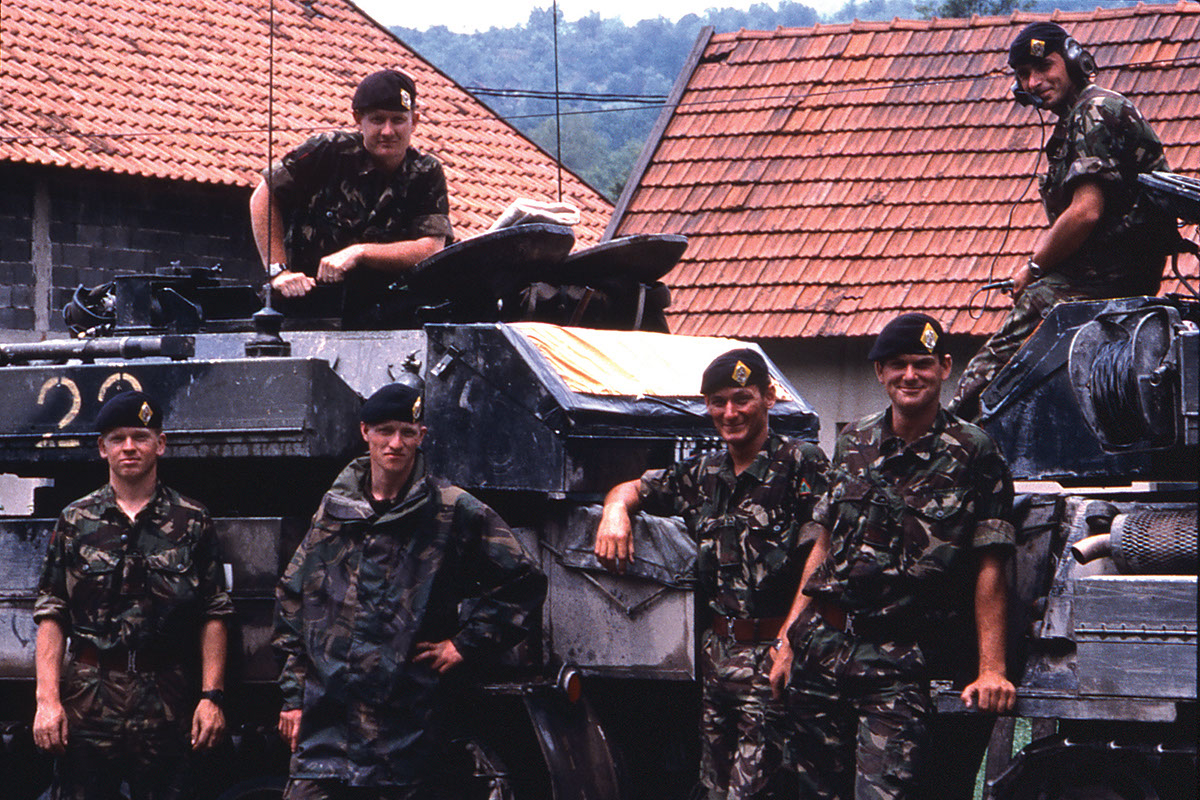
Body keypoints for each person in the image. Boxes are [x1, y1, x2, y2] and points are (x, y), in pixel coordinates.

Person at [770, 314, 1016, 800]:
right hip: (823, 648)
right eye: (897, 365)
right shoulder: (852, 441)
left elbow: (991, 564)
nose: (910, 376)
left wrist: (992, 668)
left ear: (945, 367)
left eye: (923, 364)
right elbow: (824, 543)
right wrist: (788, 638)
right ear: (880, 373)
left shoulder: (974, 451)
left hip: (900, 660)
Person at [273, 382, 546, 799]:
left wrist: (464, 644)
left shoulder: (451, 510)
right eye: (384, 430)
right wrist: (293, 696)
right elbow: (293, 597)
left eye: (407, 431)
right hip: (327, 731)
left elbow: (522, 581)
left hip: (405, 734)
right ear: (365, 432)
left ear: (422, 436)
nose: (395, 443)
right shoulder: (335, 508)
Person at [594, 348, 829, 800]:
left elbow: (824, 549)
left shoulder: (801, 462)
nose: (729, 412)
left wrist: (789, 641)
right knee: (711, 789)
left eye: (742, 398)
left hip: (775, 655)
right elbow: (633, 489)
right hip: (718, 658)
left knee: (757, 790)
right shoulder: (705, 473)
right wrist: (614, 512)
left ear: (769, 397)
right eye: (717, 401)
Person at [950, 22, 1177, 420]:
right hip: (1107, 269)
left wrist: (1034, 267)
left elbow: (1085, 212)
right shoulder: (1078, 117)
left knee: (1025, 317)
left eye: (1044, 67)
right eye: (1024, 75)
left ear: (1073, 60)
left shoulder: (1094, 111)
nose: (1035, 82)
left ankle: (949, 430)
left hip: (1111, 273)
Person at [32, 390, 234, 800]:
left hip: (165, 695)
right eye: (118, 438)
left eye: (141, 437)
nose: (129, 447)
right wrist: (46, 700)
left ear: (160, 444)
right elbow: (52, 611)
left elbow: (214, 612)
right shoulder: (75, 520)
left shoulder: (192, 520)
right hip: (89, 697)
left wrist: (211, 697)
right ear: (101, 448)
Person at [249, 68, 453, 325]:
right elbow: (263, 196)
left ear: (415, 120)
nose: (388, 131)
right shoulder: (328, 151)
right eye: (377, 120)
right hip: (306, 306)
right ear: (358, 119)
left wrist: (360, 252)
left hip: (386, 314)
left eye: (398, 119)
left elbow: (430, 248)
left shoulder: (425, 172)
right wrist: (278, 272)